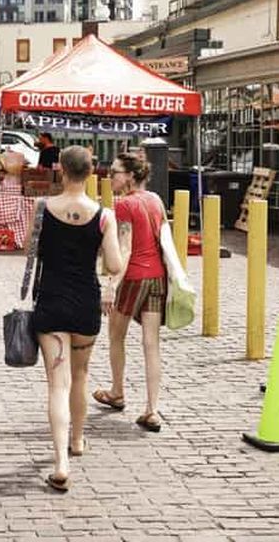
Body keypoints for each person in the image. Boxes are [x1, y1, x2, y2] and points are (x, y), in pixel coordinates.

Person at [28, 145, 122, 492]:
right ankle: (78, 441)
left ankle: (60, 463)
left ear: (60, 170)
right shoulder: (104, 216)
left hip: (51, 302)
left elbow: (29, 248)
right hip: (86, 303)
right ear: (92, 173)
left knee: (57, 384)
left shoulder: (42, 209)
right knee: (80, 377)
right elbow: (113, 266)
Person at [93, 152, 167, 433]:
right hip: (156, 277)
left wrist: (111, 285)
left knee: (116, 336)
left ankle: (117, 391)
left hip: (132, 277)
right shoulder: (156, 200)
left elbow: (124, 249)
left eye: (115, 172)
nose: (110, 177)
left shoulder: (122, 205)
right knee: (151, 344)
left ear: (131, 176)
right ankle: (152, 408)